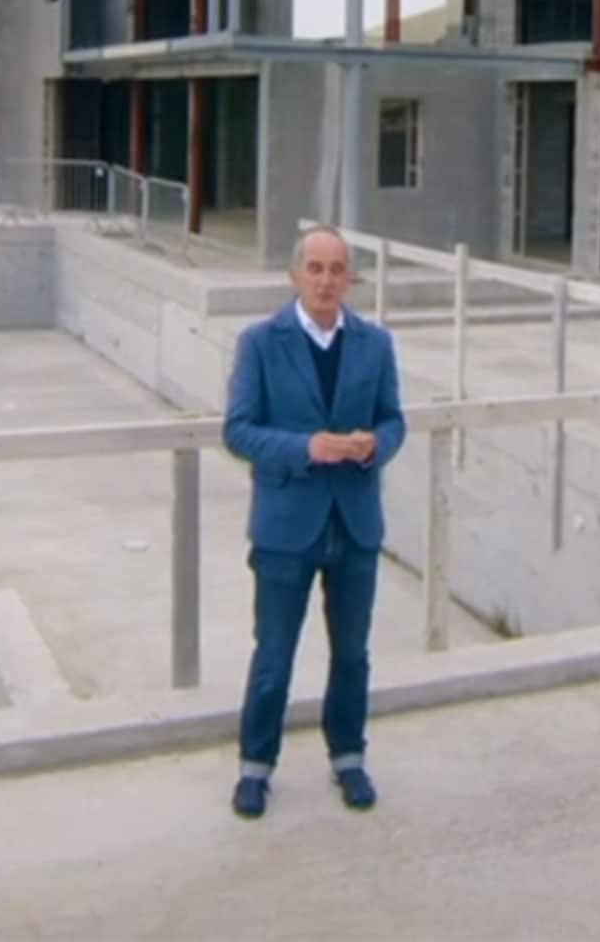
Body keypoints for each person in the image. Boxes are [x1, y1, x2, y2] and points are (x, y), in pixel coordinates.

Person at [222, 223, 405, 820]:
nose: (327, 281)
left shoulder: (375, 345)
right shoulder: (260, 342)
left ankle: (348, 756)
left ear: (351, 278)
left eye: (338, 270)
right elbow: (239, 430)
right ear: (295, 275)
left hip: (354, 525)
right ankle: (255, 768)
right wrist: (307, 448)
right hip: (286, 526)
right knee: (274, 653)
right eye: (316, 269)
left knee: (352, 653)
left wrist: (372, 444)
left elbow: (393, 420)